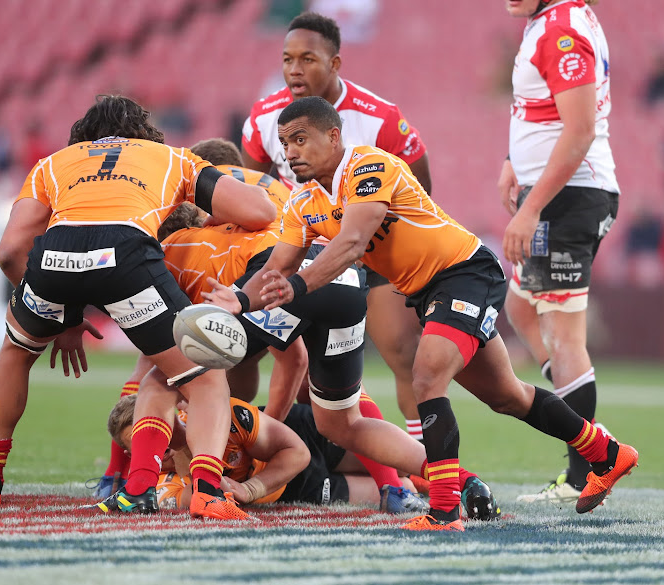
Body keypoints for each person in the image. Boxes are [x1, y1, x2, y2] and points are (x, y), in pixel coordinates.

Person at [202, 96, 639, 532]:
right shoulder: (303, 203)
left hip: (464, 271)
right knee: (507, 395)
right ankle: (609, 453)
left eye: (300, 139)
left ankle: (445, 511)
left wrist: (296, 286)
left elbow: (352, 243)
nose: (290, 152)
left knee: (427, 376)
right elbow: (276, 268)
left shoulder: (370, 166)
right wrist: (239, 300)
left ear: (334, 137)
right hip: (427, 291)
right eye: (284, 143)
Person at [0, 95, 277, 525]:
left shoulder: (56, 163)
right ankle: (207, 494)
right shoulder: (171, 157)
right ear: (144, 132)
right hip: (127, 255)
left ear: (84, 135)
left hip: (53, 256)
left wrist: (60, 313)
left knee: (15, 354)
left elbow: (9, 253)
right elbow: (260, 211)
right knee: (204, 375)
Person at [242, 12, 427, 442]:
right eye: (287, 59)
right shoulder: (265, 116)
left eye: (307, 59)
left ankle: (425, 458)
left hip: (376, 248)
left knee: (404, 353)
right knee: (239, 350)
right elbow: (251, 188)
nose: (294, 69)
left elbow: (420, 185)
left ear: (335, 64)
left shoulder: (379, 117)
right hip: (299, 246)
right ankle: (254, 446)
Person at [497, 0, 622, 502]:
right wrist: (512, 160)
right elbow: (542, 107)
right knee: (520, 308)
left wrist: (531, 211)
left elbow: (580, 128)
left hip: (567, 199)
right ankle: (597, 442)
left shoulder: (562, 30)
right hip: (556, 196)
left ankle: (585, 472)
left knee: (561, 334)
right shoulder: (547, 23)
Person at [104, 393, 429, 512]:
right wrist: (185, 460)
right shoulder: (153, 483)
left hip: (297, 438)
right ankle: (426, 486)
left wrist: (249, 488)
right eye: (141, 446)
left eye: (154, 435)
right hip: (296, 488)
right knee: (404, 490)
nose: (155, 450)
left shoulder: (219, 416)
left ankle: (450, 476)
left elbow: (296, 452)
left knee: (391, 459)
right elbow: (192, 500)